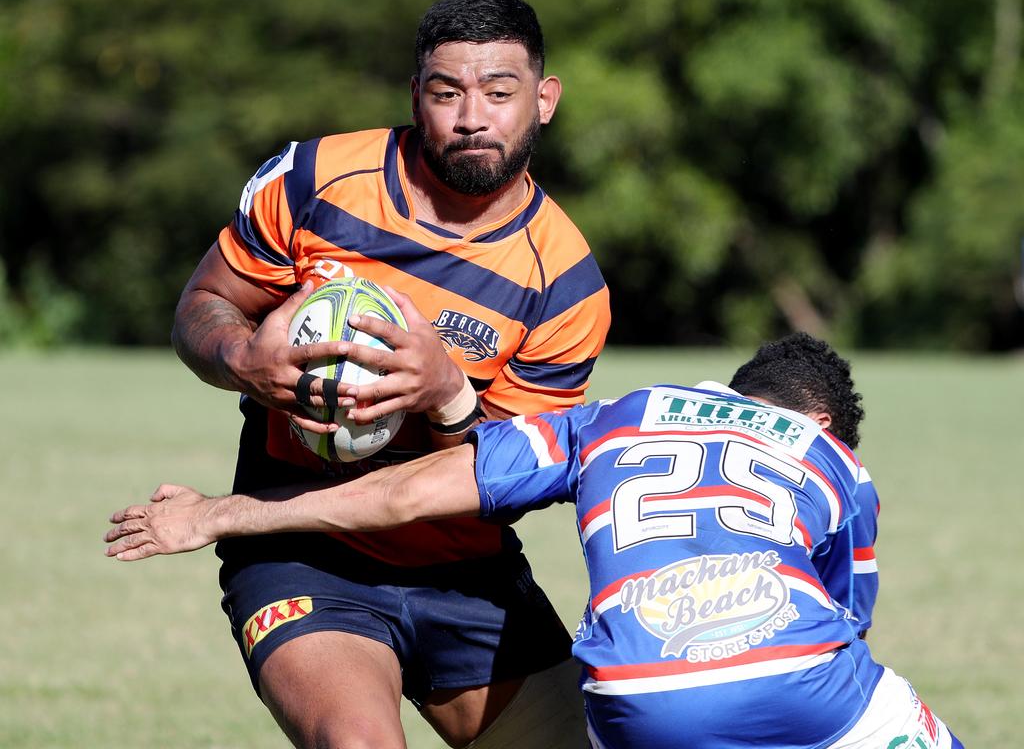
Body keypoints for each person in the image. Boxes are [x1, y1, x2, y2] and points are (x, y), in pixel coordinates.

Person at [107, 334, 962, 749]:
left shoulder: (607, 420)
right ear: (819, 422)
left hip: (629, 694)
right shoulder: (834, 460)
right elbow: (845, 630)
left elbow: (407, 492)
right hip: (792, 678)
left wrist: (220, 513)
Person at [168, 0, 610, 748]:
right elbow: (203, 304)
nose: (473, 117)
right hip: (301, 550)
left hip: (464, 571)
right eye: (447, 93)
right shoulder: (315, 181)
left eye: (499, 93)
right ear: (417, 96)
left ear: (544, 100)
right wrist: (246, 359)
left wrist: (446, 396)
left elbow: (499, 491)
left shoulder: (565, 284)